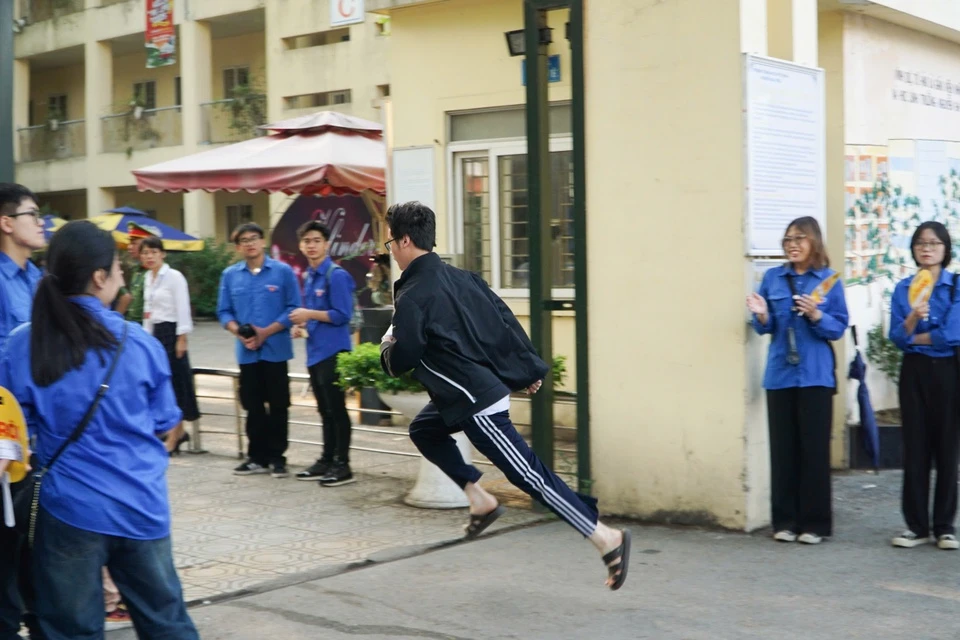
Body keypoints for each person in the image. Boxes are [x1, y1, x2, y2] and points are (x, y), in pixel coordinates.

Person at [379, 202, 631, 591]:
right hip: (465, 396)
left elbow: (403, 356)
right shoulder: (461, 278)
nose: (390, 249)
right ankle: (479, 498)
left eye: (390, 241)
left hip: (477, 405)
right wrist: (526, 370)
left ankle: (605, 538)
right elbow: (499, 321)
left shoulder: (414, 293)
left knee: (530, 476)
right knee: (424, 430)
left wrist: (386, 348)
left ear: (406, 240)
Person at [0, 220, 198, 639]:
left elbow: (17, 428)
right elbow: (167, 421)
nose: (123, 277)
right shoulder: (139, 344)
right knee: (166, 622)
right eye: (119, 270)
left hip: (68, 510)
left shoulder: (23, 342)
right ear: (99, 277)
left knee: (71, 629)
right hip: (141, 505)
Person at [747, 216, 849, 545]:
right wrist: (762, 313)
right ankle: (785, 521)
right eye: (788, 238)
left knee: (814, 451)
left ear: (814, 243)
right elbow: (765, 326)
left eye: (800, 238)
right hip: (780, 375)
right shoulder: (773, 278)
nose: (792, 244)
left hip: (815, 376)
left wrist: (817, 315)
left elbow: (838, 327)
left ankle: (815, 524)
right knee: (784, 450)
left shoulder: (829, 281)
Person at [888, 221, 960, 550]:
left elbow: (952, 333)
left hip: (947, 370)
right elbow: (896, 338)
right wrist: (913, 318)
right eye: (920, 243)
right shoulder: (903, 288)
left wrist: (912, 336)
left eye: (933, 243)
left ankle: (944, 526)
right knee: (915, 447)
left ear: (946, 249)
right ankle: (915, 527)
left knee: (947, 449)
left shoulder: (955, 286)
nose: (926, 248)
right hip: (914, 371)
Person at [217, 222, 301, 479]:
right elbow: (223, 311)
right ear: (238, 246)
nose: (249, 243)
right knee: (252, 406)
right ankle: (256, 457)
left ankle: (277, 458)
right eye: (244, 240)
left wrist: (266, 331)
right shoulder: (230, 275)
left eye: (254, 238)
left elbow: (293, 308)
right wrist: (238, 334)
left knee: (278, 406)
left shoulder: (283, 272)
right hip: (247, 353)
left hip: (276, 350)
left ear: (262, 241)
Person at [0, 182, 46, 640]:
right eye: (34, 214)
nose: (42, 222)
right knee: (9, 548)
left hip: (41, 435)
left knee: (37, 548)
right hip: (5, 436)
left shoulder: (38, 279)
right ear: (7, 223)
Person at [290, 221, 358, 486]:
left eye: (316, 240)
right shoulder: (309, 275)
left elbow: (342, 315)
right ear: (301, 245)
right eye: (307, 241)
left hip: (334, 352)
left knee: (337, 410)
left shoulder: (336, 275)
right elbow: (320, 313)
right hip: (315, 352)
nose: (311, 245)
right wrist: (303, 325)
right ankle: (327, 459)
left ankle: (343, 465)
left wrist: (309, 314)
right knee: (324, 410)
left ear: (326, 244)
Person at [140, 236, 199, 453]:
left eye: (154, 252)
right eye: (145, 253)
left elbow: (183, 308)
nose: (149, 257)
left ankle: (176, 435)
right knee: (160, 383)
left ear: (162, 254)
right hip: (155, 334)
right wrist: (146, 340)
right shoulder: (147, 278)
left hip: (172, 332)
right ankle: (174, 432)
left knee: (177, 383)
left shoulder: (174, 277)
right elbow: (148, 311)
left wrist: (182, 338)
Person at [114, 223, 153, 319]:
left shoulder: (154, 272)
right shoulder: (136, 270)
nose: (129, 247)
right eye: (130, 242)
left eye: (134, 243)